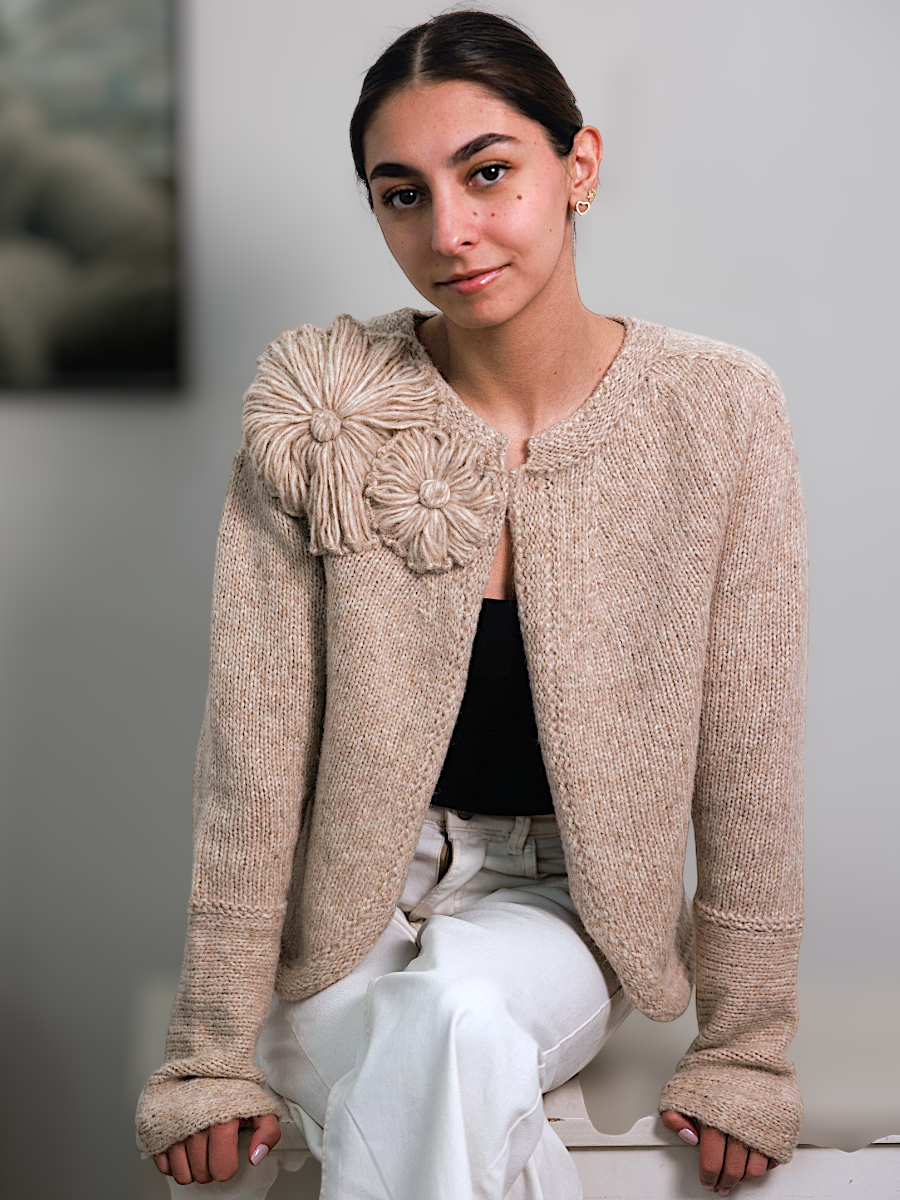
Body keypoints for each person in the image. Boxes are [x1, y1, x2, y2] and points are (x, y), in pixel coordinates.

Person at [135, 11, 807, 1199]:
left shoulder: (717, 412)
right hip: (350, 901)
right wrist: (205, 1055)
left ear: (578, 167)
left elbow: (746, 753)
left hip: (561, 905)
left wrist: (745, 1052)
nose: (449, 231)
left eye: (487, 172)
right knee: (441, 1053)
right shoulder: (321, 414)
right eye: (402, 195)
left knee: (447, 1022)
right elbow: (253, 756)